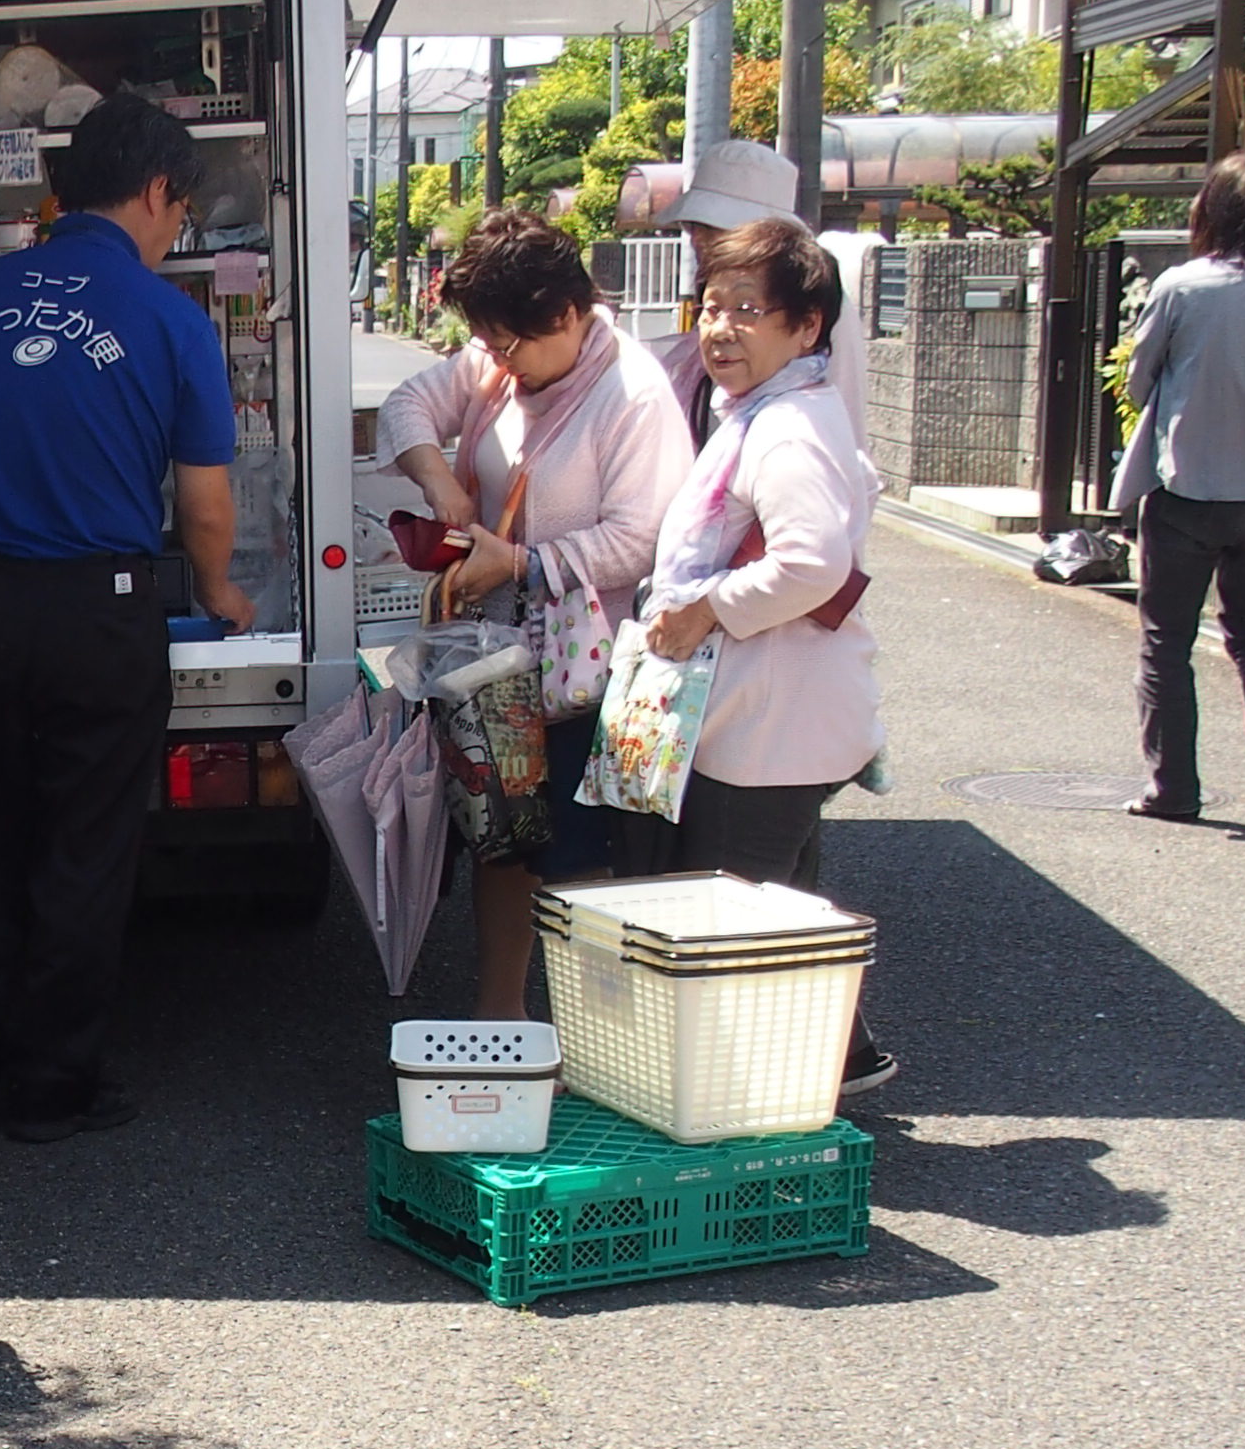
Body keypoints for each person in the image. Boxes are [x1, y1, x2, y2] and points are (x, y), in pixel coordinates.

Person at [0, 91, 249, 1141]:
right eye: (178, 210)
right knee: (81, 847)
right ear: (156, 191)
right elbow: (202, 502)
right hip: (98, 609)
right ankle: (49, 1086)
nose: (176, 229)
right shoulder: (168, 317)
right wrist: (220, 592)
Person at [373, 209, 692, 1018]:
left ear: (568, 314)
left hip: (585, 669)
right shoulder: (497, 363)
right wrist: (441, 486)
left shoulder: (632, 394)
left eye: (513, 343)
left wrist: (516, 561)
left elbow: (640, 538)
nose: (501, 362)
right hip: (494, 663)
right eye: (489, 343)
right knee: (503, 840)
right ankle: (501, 1014)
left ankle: (592, 1037)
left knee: (580, 860)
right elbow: (407, 407)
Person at [618, 219, 900, 1089]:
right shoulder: (774, 411)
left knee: (733, 926)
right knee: (784, 911)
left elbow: (813, 562)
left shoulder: (787, 429)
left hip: (772, 729)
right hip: (778, 726)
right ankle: (841, 1060)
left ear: (807, 326)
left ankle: (750, 1108)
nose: (721, 329)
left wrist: (705, 610)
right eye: (710, 307)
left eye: (749, 310)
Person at [1110, 152, 1245, 830]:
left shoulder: (1183, 286)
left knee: (1167, 641)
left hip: (1189, 492)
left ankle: (1174, 788)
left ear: (1210, 211)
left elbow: (1137, 381)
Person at [657, 138, 871, 447]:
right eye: (695, 227)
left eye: (714, 229)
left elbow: (842, 409)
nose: (699, 241)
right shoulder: (722, 292)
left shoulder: (816, 298)